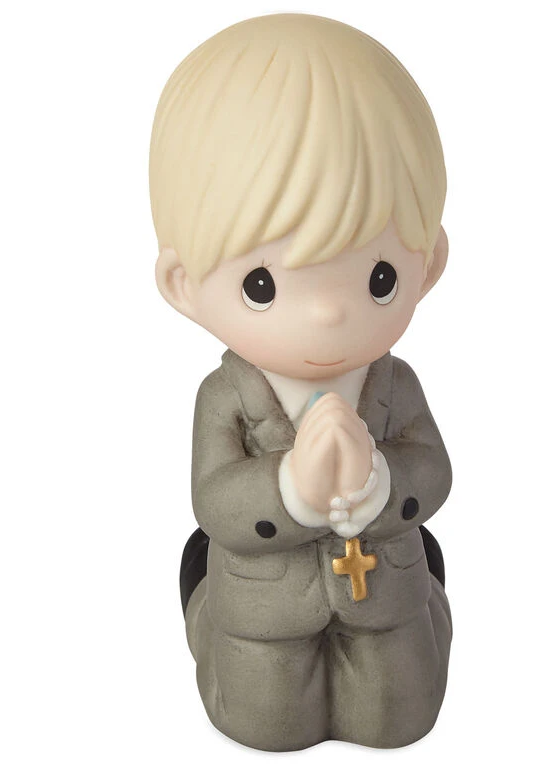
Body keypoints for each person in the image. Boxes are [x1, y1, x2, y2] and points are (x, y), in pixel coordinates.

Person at [150, 13, 453, 751]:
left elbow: (435, 473)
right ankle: (205, 616)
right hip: (264, 612)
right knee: (262, 722)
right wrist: (293, 489)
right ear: (183, 286)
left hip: (387, 597)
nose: (327, 314)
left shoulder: (396, 385)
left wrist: (380, 485)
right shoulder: (226, 398)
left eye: (379, 279)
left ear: (429, 266)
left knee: (401, 715)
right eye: (262, 285)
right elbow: (215, 500)